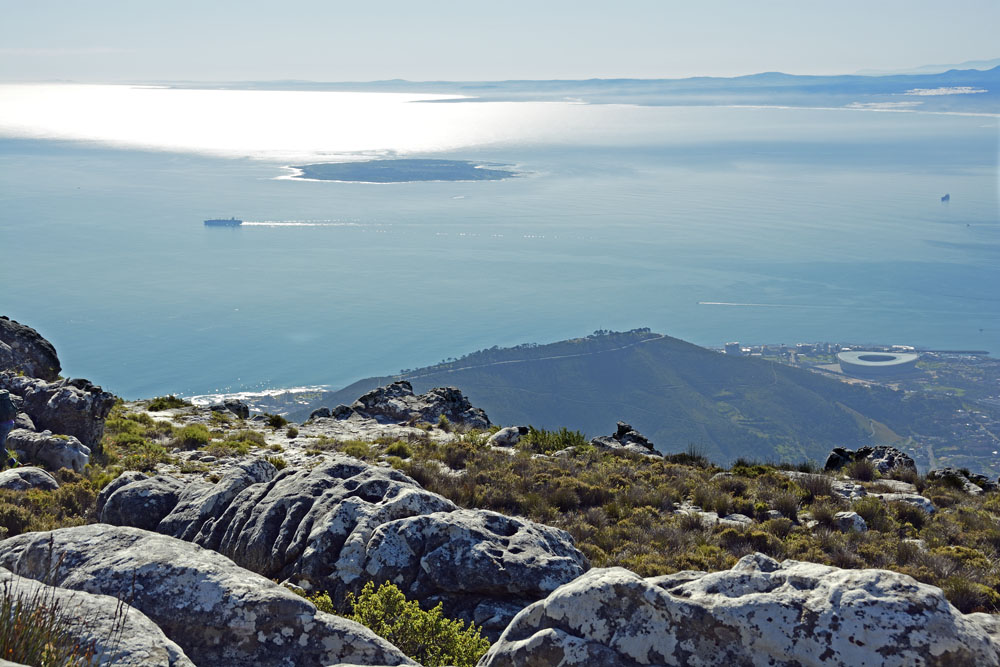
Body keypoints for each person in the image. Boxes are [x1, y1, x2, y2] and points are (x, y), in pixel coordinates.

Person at [0, 389, 17, 454]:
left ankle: (15, 463)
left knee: (1, 448)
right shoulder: (6, 399)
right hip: (10, 423)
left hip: (3, 425)